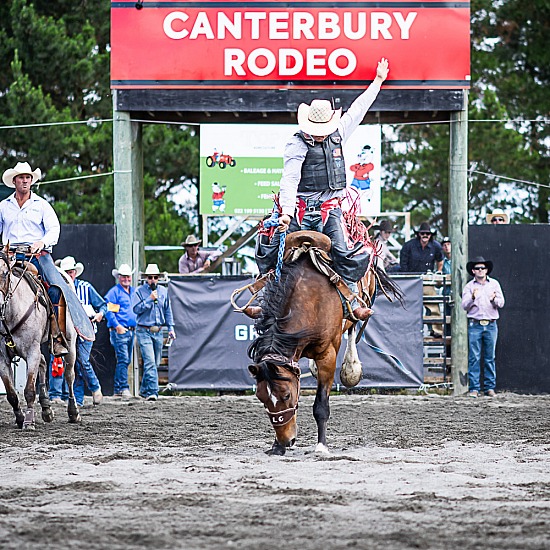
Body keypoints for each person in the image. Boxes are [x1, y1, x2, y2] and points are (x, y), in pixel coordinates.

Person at [256, 58, 390, 321]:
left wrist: (378, 81)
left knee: (344, 253)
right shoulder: (296, 144)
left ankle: (351, 301)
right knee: (272, 250)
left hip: (330, 211)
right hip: (300, 211)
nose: (319, 135)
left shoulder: (339, 131)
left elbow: (359, 108)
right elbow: (290, 180)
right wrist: (285, 213)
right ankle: (264, 300)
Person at [0, 162, 93, 356]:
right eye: (21, 177)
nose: (25, 180)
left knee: (55, 288)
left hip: (37, 255)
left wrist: (41, 243)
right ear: (14, 181)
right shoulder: (3, 206)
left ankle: (57, 336)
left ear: (31, 181)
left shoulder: (41, 205)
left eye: (28, 177)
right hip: (10, 256)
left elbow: (54, 229)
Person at [56, 256, 107, 406]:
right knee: (74, 364)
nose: (69, 275)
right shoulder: (59, 291)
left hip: (86, 329)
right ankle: (77, 399)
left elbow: (102, 305)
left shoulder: (86, 287)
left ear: (75, 273)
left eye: (71, 272)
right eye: (66, 273)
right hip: (68, 332)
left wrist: (100, 314)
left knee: (82, 360)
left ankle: (95, 387)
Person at [461, 256, 505, 398]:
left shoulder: (494, 284)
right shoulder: (469, 286)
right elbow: (464, 306)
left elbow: (502, 303)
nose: (480, 270)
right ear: (473, 271)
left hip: (491, 324)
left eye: (483, 268)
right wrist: (473, 298)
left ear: (486, 270)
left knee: (489, 357)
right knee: (474, 357)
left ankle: (489, 388)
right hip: (475, 324)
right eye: (478, 268)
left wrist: (494, 299)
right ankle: (474, 388)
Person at [132, 264, 176, 401]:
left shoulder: (163, 291)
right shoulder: (139, 291)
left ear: (158, 278)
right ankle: (153, 391)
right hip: (143, 330)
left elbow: (168, 311)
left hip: (158, 331)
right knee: (150, 361)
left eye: (155, 277)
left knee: (155, 363)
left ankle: (144, 390)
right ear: (146, 278)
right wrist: (149, 300)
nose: (152, 280)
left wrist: (171, 328)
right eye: (150, 277)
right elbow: (136, 309)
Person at [104, 263, 137, 398]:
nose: (126, 279)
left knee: (125, 360)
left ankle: (119, 388)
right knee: (123, 359)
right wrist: (117, 326)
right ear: (119, 277)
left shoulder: (133, 291)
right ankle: (122, 387)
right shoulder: (114, 293)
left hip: (130, 329)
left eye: (128, 276)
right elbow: (109, 312)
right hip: (121, 330)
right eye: (123, 276)